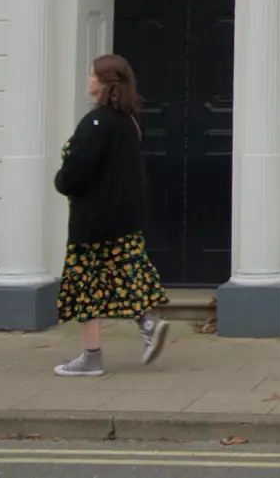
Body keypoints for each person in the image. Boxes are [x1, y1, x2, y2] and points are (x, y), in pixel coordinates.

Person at [51, 54, 171, 376]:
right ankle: (147, 322)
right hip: (125, 217)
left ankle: (92, 357)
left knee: (85, 287)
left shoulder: (95, 124)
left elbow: (76, 172)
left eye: (92, 74)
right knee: (124, 273)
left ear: (104, 82)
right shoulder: (127, 122)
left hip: (92, 221)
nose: (88, 78)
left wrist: (61, 181)